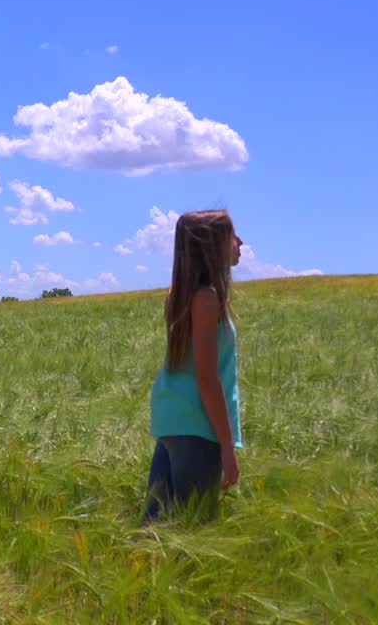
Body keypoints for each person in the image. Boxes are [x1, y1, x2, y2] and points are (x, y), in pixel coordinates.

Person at [143, 209, 244, 523]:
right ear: (211, 247)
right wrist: (227, 448)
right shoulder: (206, 300)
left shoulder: (181, 296)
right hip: (197, 426)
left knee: (158, 523)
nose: (240, 242)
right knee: (194, 525)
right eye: (232, 236)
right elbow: (206, 377)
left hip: (173, 420)